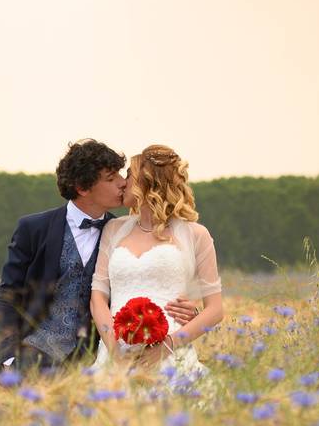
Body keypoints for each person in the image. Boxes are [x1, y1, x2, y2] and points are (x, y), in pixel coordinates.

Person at [0, 139, 200, 377]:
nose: (123, 183)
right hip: (32, 354)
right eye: (111, 178)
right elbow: (7, 296)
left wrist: (188, 314)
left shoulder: (123, 231)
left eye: (121, 174)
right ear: (82, 187)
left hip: (93, 362)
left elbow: (144, 281)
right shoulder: (33, 228)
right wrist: (8, 355)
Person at [90, 144, 224, 375]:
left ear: (147, 182)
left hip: (170, 352)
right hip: (115, 350)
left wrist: (166, 347)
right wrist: (114, 351)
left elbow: (215, 310)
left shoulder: (195, 234)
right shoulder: (113, 229)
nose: (123, 182)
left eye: (130, 175)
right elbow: (98, 296)